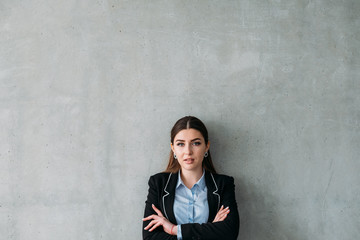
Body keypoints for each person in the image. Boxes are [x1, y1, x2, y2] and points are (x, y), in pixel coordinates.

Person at [142, 116, 240, 240]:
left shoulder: (223, 184)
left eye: (196, 143)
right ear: (173, 148)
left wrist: (174, 229)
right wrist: (210, 229)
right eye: (180, 144)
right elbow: (150, 237)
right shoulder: (158, 184)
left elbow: (229, 233)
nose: (188, 151)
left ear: (206, 146)